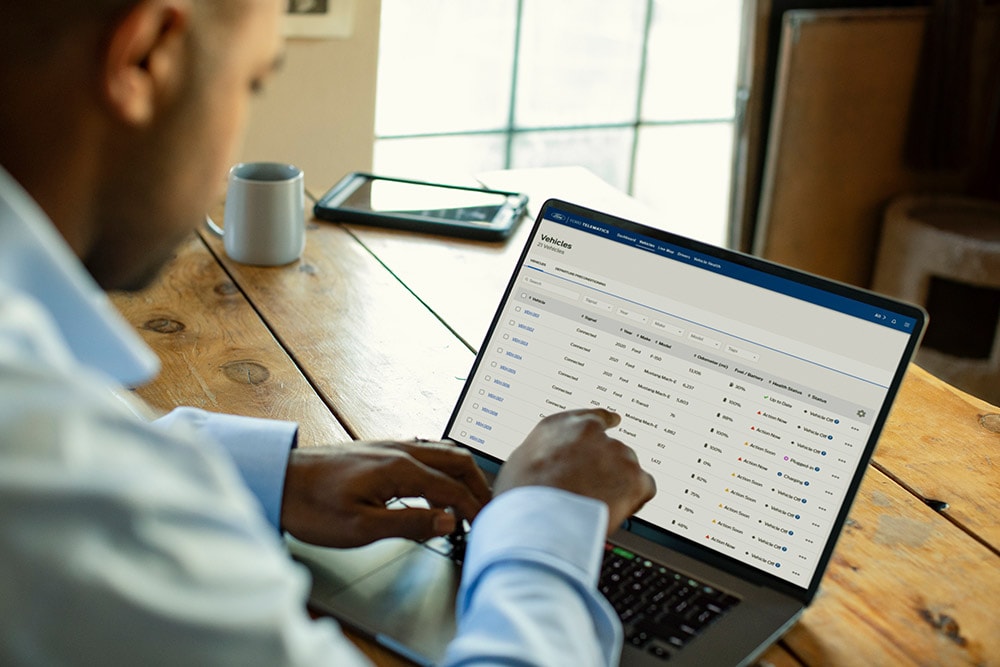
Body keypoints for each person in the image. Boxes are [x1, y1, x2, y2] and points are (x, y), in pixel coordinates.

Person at [0, 1, 657, 665]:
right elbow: (70, 469)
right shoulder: (52, 481)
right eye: (251, 82)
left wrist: (263, 474)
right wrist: (546, 524)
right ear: (143, 58)